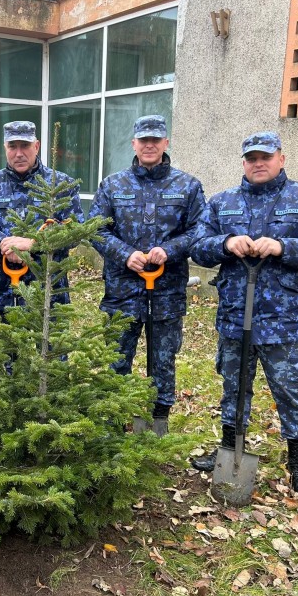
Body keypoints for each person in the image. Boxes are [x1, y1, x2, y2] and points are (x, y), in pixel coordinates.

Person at [189, 131, 298, 500]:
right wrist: (225, 244)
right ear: (243, 162)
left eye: (266, 157)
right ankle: (228, 448)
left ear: (281, 159)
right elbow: (197, 246)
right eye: (252, 158)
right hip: (234, 315)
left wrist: (283, 246)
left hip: (283, 320)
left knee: (291, 390)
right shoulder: (222, 202)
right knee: (234, 387)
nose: (259, 163)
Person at [89, 115, 206, 426]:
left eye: (156, 139)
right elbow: (96, 230)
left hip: (166, 293)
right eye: (144, 140)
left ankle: (159, 420)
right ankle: (114, 422)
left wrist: (169, 250)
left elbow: (201, 230)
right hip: (122, 293)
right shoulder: (112, 185)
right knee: (116, 358)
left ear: (166, 143)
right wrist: (126, 255)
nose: (150, 145)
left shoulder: (188, 186)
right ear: (134, 144)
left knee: (163, 360)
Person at [0, 121, 81, 317]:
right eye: (12, 146)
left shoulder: (62, 184)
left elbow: (75, 229)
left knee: (48, 347)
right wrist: (3, 244)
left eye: (25, 146)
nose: (19, 153)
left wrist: (34, 244)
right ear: (5, 147)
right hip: (2, 292)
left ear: (36, 146)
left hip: (49, 295)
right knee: (5, 347)